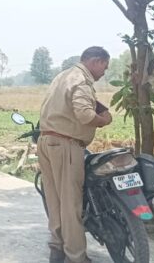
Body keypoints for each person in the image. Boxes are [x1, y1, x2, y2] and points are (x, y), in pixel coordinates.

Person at [37, 46, 113, 263]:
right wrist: (104, 120)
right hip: (66, 144)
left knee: (54, 200)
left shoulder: (62, 76)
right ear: (96, 61)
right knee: (71, 204)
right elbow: (85, 114)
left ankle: (57, 248)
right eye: (105, 66)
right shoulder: (81, 81)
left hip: (46, 141)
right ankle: (76, 256)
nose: (104, 72)